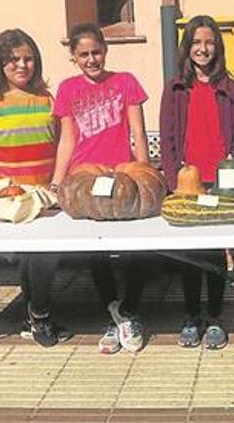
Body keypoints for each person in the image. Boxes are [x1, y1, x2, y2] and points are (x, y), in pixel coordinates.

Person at [0, 28, 70, 347]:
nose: (22, 66)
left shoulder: (47, 99)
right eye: (13, 60)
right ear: (0, 63)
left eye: (29, 59)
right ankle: (38, 315)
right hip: (9, 201)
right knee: (31, 258)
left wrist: (58, 182)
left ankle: (35, 313)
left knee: (42, 257)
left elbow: (64, 140)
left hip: (45, 197)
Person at [49, 23, 150, 354]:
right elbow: (68, 138)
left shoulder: (125, 82)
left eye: (96, 52)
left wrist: (144, 170)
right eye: (83, 54)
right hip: (86, 179)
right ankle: (114, 314)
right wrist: (57, 179)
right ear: (73, 57)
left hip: (122, 176)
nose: (91, 59)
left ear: (105, 51)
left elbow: (137, 130)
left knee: (135, 249)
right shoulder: (66, 89)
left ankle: (128, 310)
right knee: (97, 251)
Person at [159, 15, 234, 349]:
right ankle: (191, 315)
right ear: (187, 48)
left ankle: (214, 316)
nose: (203, 49)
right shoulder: (175, 88)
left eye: (209, 42)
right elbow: (167, 138)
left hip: (219, 183)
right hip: (188, 183)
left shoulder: (231, 88)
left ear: (218, 47)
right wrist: (174, 180)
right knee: (189, 254)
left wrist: (233, 175)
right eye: (196, 42)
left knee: (214, 254)